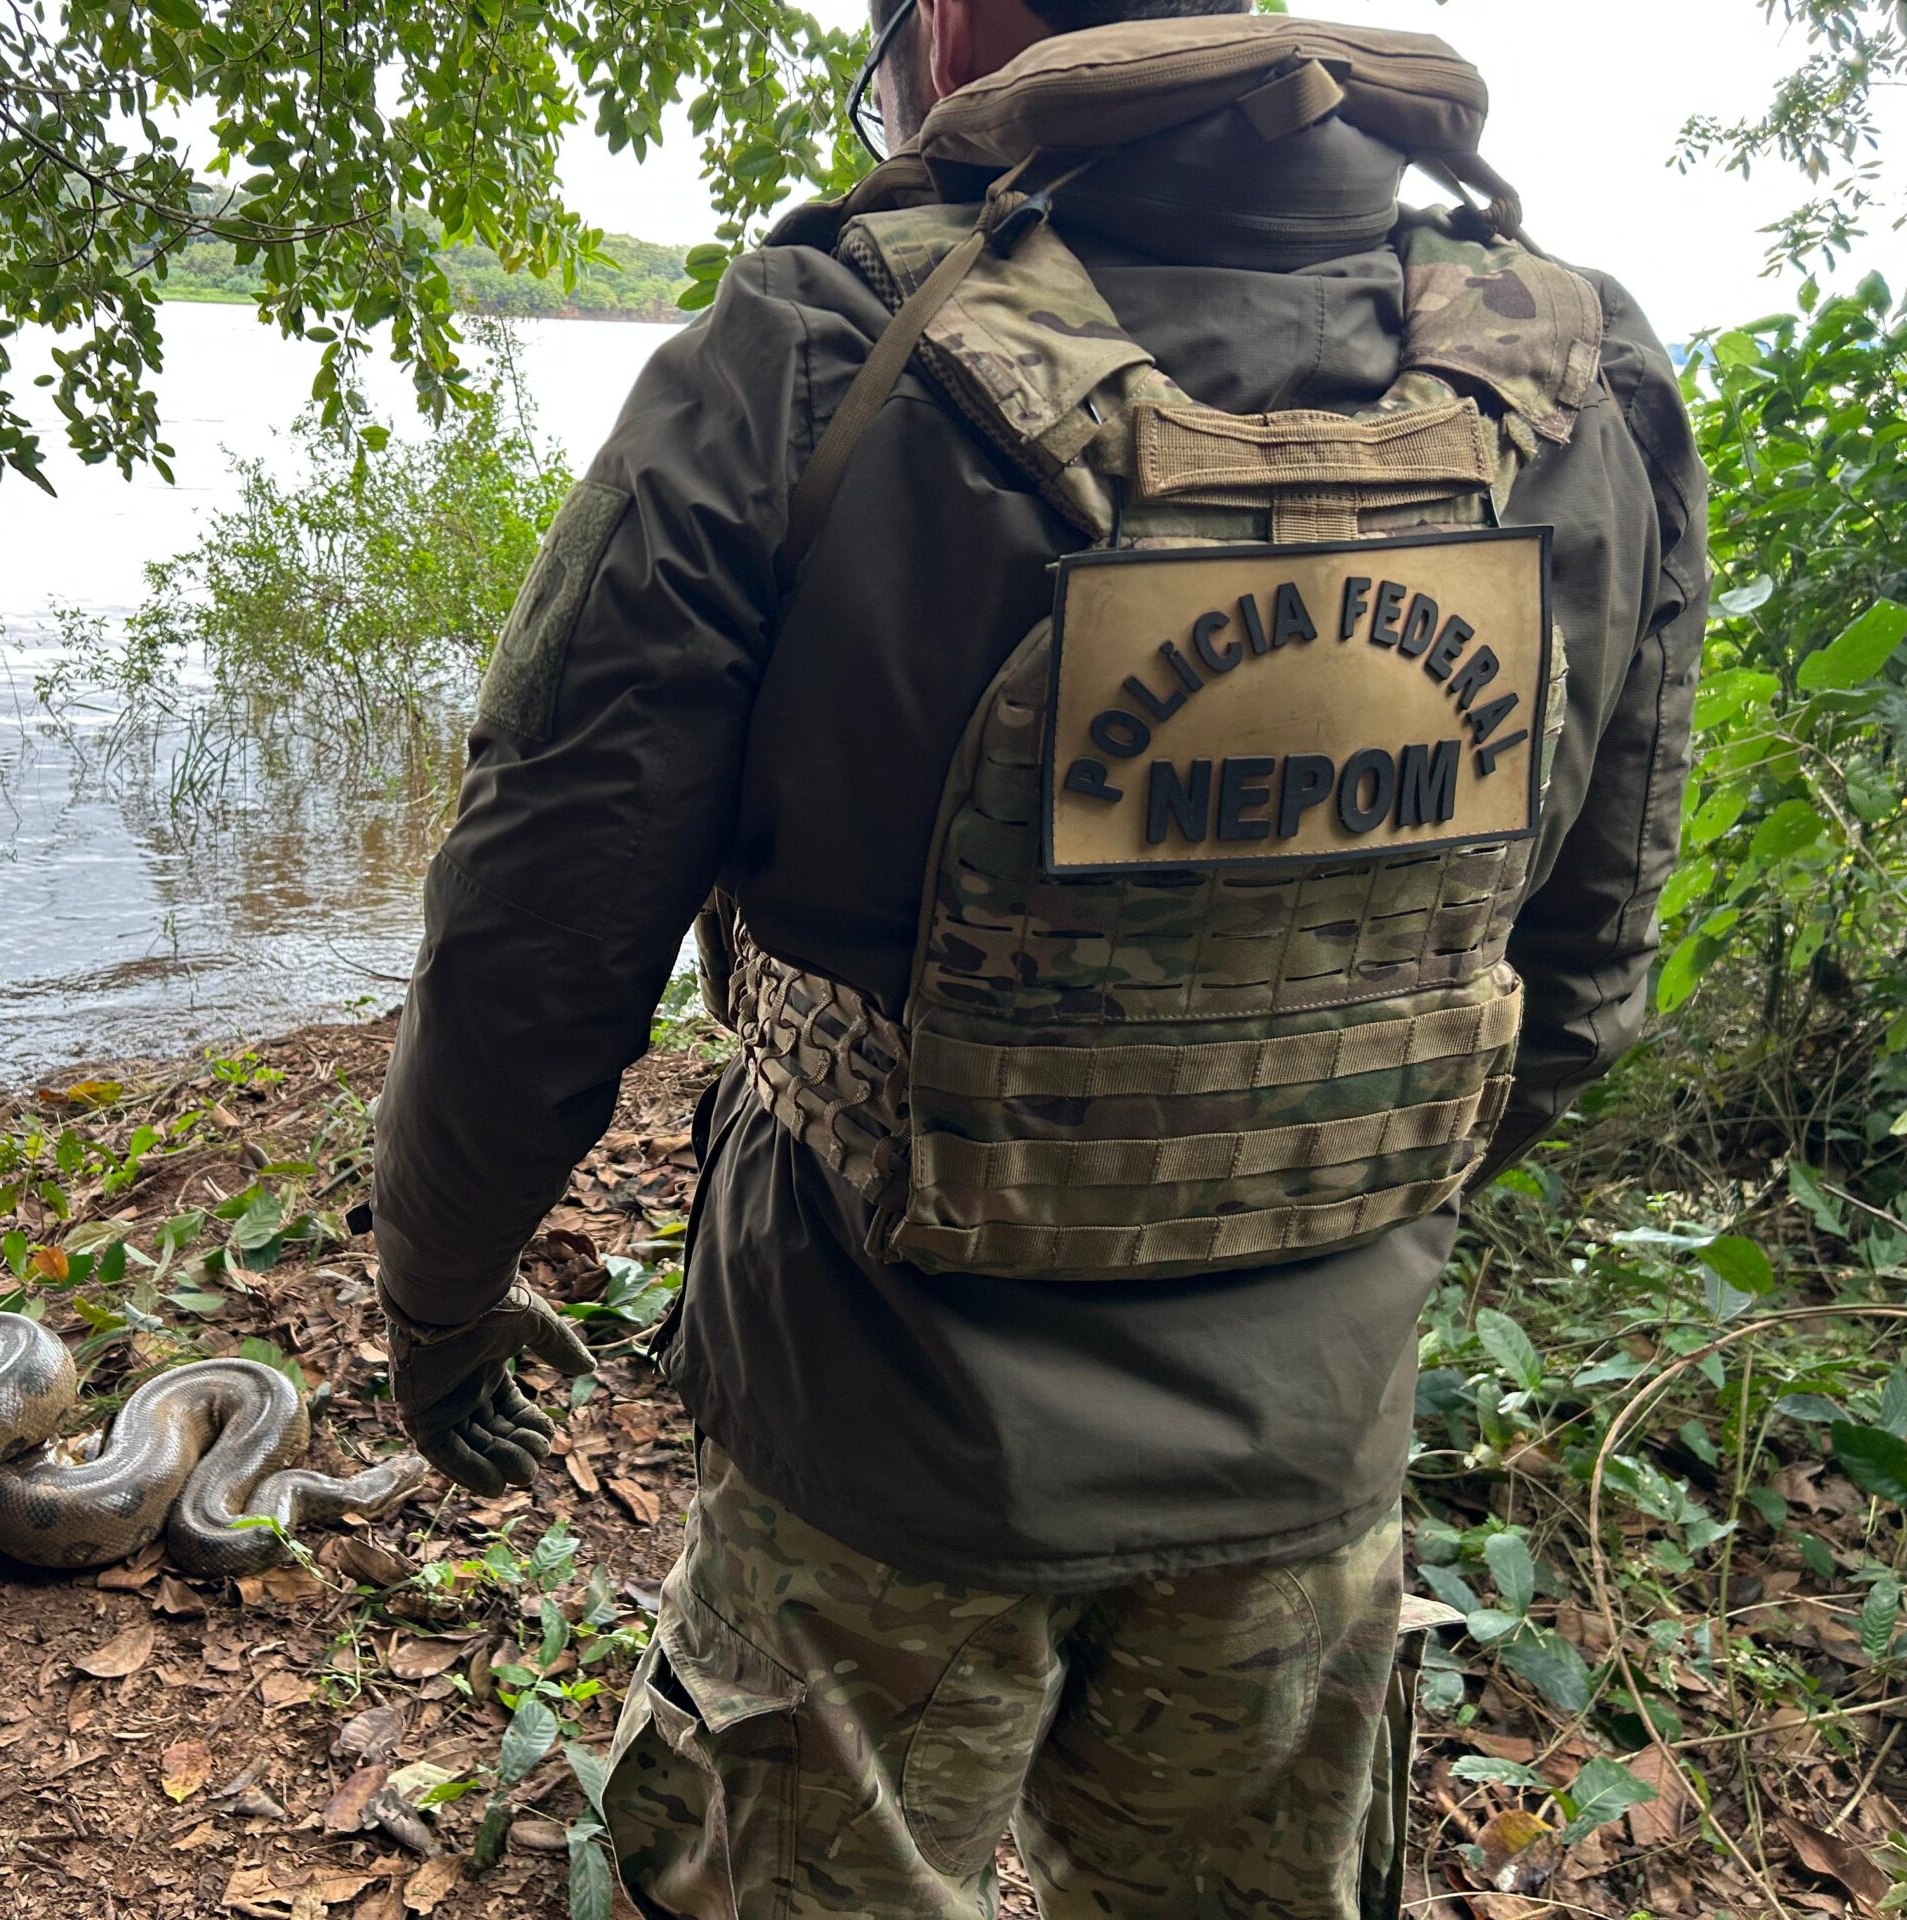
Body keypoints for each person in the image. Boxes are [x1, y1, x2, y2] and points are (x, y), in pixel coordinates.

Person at [369, 0, 1706, 1913]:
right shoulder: (1590, 382)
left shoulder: (826, 350)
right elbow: (1582, 983)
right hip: (1313, 1451)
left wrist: (441, 1294)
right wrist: (1315, 1230)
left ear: (971, 27)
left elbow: (534, 936)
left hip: (876, 1441)